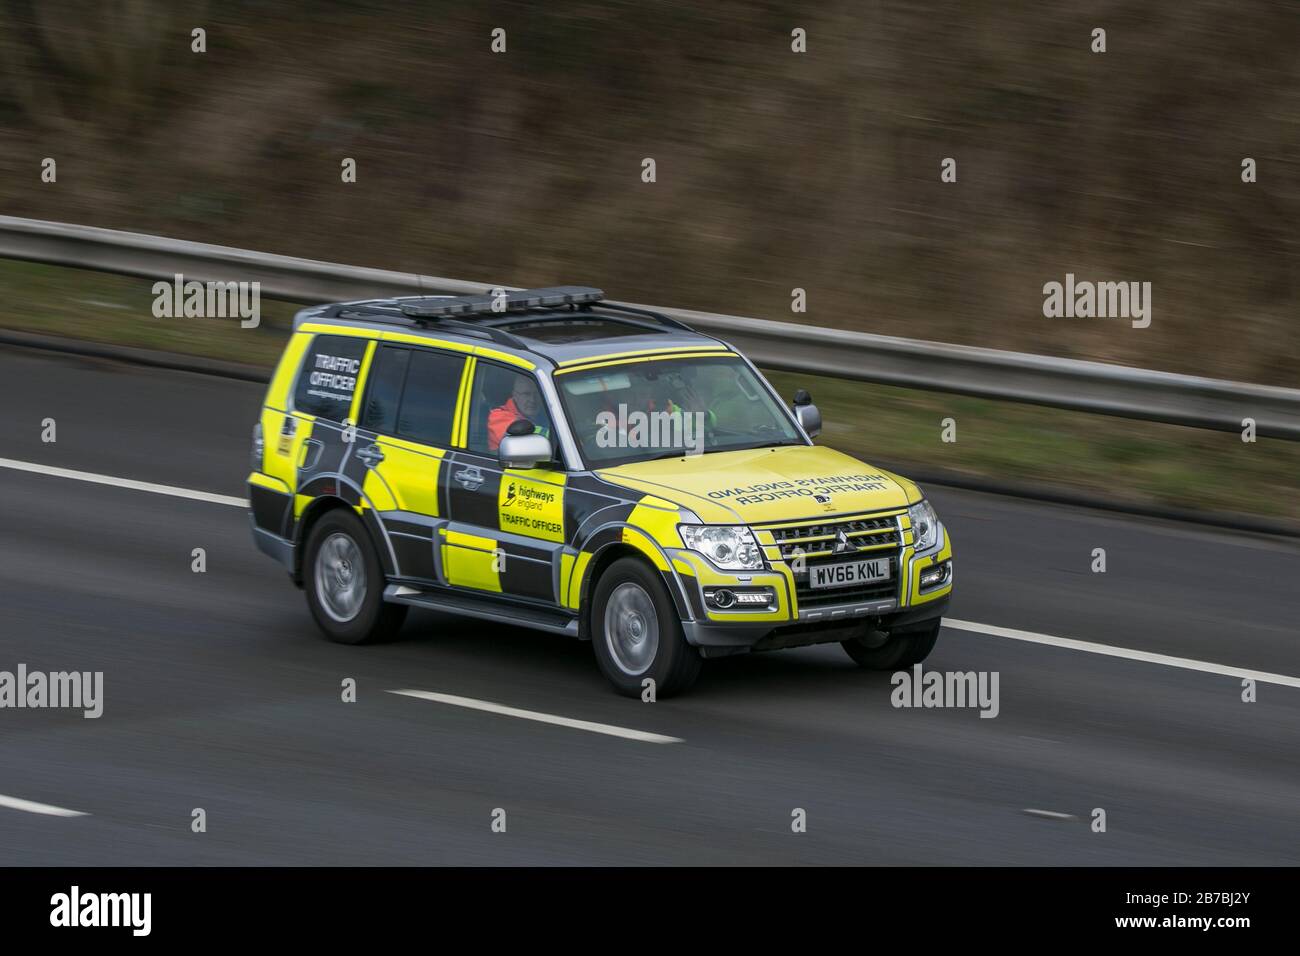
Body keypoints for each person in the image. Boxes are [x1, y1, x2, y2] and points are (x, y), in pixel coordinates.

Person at [488, 375, 551, 451]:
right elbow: (526, 440)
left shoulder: (547, 412)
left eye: (537, 393)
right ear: (515, 395)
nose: (532, 400)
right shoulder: (498, 416)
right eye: (526, 394)